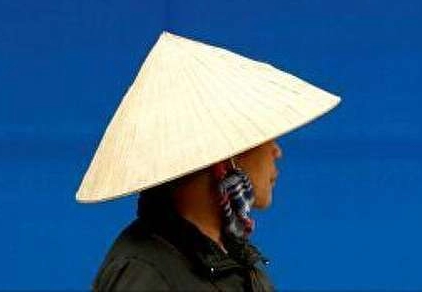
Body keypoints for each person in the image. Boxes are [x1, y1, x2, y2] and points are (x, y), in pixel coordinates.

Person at [76, 32, 340, 291]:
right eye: (264, 137)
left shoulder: (233, 260)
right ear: (226, 157)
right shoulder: (145, 273)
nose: (276, 151)